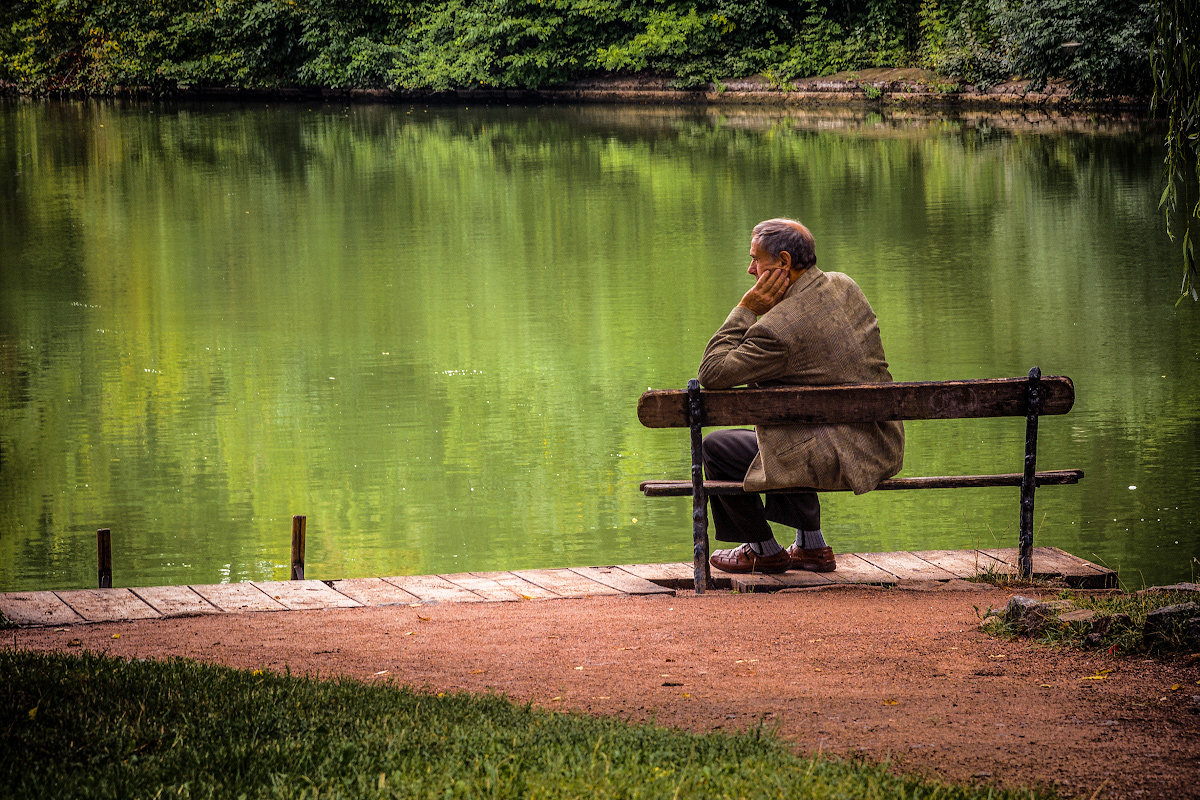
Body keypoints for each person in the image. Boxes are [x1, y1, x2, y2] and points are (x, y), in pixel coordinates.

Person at [698, 218, 904, 574]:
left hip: (842, 455)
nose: (750, 270)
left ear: (782, 263)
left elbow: (712, 373)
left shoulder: (777, 329)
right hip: (880, 441)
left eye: (755, 260)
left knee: (718, 447)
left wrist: (746, 308)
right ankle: (811, 546)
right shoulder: (844, 285)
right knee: (792, 430)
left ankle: (764, 550)